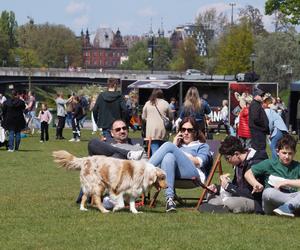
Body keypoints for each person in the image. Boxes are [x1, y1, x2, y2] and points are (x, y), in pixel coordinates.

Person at [149, 117, 212, 212]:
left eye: (189, 130)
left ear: (195, 132)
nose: (186, 132)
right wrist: (176, 147)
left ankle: (143, 169)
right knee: (168, 156)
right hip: (174, 176)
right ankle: (170, 200)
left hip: (194, 176)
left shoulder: (202, 146)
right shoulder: (177, 147)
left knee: (168, 146)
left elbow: (199, 162)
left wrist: (175, 149)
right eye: (183, 130)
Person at [76, 119, 146, 204]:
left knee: (117, 157)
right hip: (103, 176)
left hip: (123, 180)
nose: (122, 131)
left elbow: (145, 166)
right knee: (92, 143)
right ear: (112, 133)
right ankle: (127, 154)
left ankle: (90, 197)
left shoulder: (137, 147)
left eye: (124, 128)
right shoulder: (108, 147)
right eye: (118, 129)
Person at [206, 136, 267, 214]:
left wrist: (228, 187)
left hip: (256, 201)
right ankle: (221, 206)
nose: (227, 161)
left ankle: (219, 206)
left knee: (229, 202)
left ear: (236, 154)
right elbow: (237, 186)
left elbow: (252, 194)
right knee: (210, 194)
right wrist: (217, 188)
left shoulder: (256, 162)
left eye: (228, 158)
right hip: (239, 197)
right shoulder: (239, 163)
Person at [245, 134, 300, 217]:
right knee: (268, 192)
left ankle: (287, 207)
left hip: (291, 196)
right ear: (277, 151)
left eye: (290, 153)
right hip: (272, 202)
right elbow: (248, 173)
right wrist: (255, 184)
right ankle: (292, 206)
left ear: (294, 153)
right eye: (284, 153)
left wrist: (286, 182)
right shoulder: (270, 163)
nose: (287, 156)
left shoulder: (297, 166)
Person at [142, 88, 171, 155]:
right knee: (163, 150)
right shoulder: (165, 103)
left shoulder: (148, 103)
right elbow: (171, 116)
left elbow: (143, 117)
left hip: (151, 130)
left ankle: (156, 164)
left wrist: (149, 120)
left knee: (155, 150)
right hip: (162, 130)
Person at [248, 88, 269, 158]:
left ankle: (258, 162)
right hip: (258, 131)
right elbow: (255, 119)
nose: (262, 97)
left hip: (258, 131)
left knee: (259, 149)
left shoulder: (257, 104)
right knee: (259, 150)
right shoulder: (255, 104)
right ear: (256, 96)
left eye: (263, 95)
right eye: (261, 95)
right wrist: (264, 125)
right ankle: (259, 163)